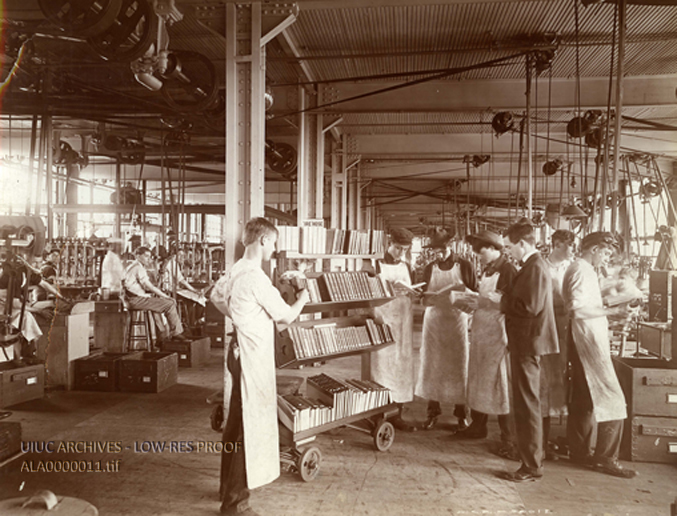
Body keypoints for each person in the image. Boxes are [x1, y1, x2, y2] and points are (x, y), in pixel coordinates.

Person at [210, 217, 309, 516]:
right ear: (263, 240)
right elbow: (286, 316)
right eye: (273, 243)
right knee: (249, 428)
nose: (274, 249)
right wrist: (303, 297)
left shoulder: (236, 269)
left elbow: (215, 296)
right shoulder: (256, 277)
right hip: (251, 357)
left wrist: (242, 318)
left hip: (237, 350)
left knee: (235, 424)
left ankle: (226, 489)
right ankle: (235, 504)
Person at [562, 232, 637, 478]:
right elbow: (576, 309)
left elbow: (584, 305)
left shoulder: (584, 269)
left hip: (585, 339)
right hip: (589, 343)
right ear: (594, 249)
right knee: (614, 400)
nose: (606, 258)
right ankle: (605, 458)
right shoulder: (581, 270)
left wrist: (610, 303)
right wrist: (612, 312)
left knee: (583, 397)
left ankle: (579, 451)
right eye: (605, 253)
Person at [500, 220, 558, 482]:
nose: (508, 251)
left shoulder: (534, 266)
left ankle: (531, 465)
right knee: (527, 401)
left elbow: (529, 307)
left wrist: (501, 301)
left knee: (527, 403)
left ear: (522, 244)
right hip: (526, 341)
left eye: (509, 246)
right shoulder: (533, 265)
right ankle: (531, 459)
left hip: (527, 342)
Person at [415, 227, 477, 430]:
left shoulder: (464, 266)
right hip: (434, 322)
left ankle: (461, 413)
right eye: (435, 252)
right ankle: (432, 412)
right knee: (432, 365)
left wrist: (465, 296)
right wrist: (424, 297)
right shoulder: (429, 268)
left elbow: (475, 292)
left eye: (441, 250)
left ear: (449, 247)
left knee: (459, 366)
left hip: (456, 320)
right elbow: (422, 293)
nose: (438, 255)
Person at [461, 230, 517, 454]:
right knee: (479, 378)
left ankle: (508, 437)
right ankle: (478, 426)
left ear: (494, 249)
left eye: (481, 252)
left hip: (497, 331)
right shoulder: (487, 269)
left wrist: (483, 303)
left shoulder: (508, 270)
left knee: (500, 382)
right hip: (482, 330)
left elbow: (511, 304)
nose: (478, 256)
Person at [371, 227, 419, 431]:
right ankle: (379, 414)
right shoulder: (376, 264)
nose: (400, 253)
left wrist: (413, 293)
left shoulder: (406, 266)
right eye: (398, 248)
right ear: (389, 243)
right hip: (383, 319)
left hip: (403, 322)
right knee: (381, 366)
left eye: (405, 249)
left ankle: (397, 413)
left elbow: (411, 290)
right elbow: (370, 293)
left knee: (401, 367)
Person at [541, 229, 575, 459]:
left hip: (566, 325)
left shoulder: (571, 267)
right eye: (569, 245)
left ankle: (559, 437)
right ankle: (541, 440)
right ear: (558, 244)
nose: (573, 250)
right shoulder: (542, 267)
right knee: (546, 379)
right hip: (547, 324)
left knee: (562, 379)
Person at [122, 246, 189, 342]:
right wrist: (167, 297)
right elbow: (151, 287)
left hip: (130, 300)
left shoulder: (131, 266)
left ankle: (161, 337)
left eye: (149, 257)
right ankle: (176, 333)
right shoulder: (138, 268)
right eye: (146, 256)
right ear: (138, 256)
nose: (148, 259)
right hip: (135, 300)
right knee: (170, 304)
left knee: (157, 306)